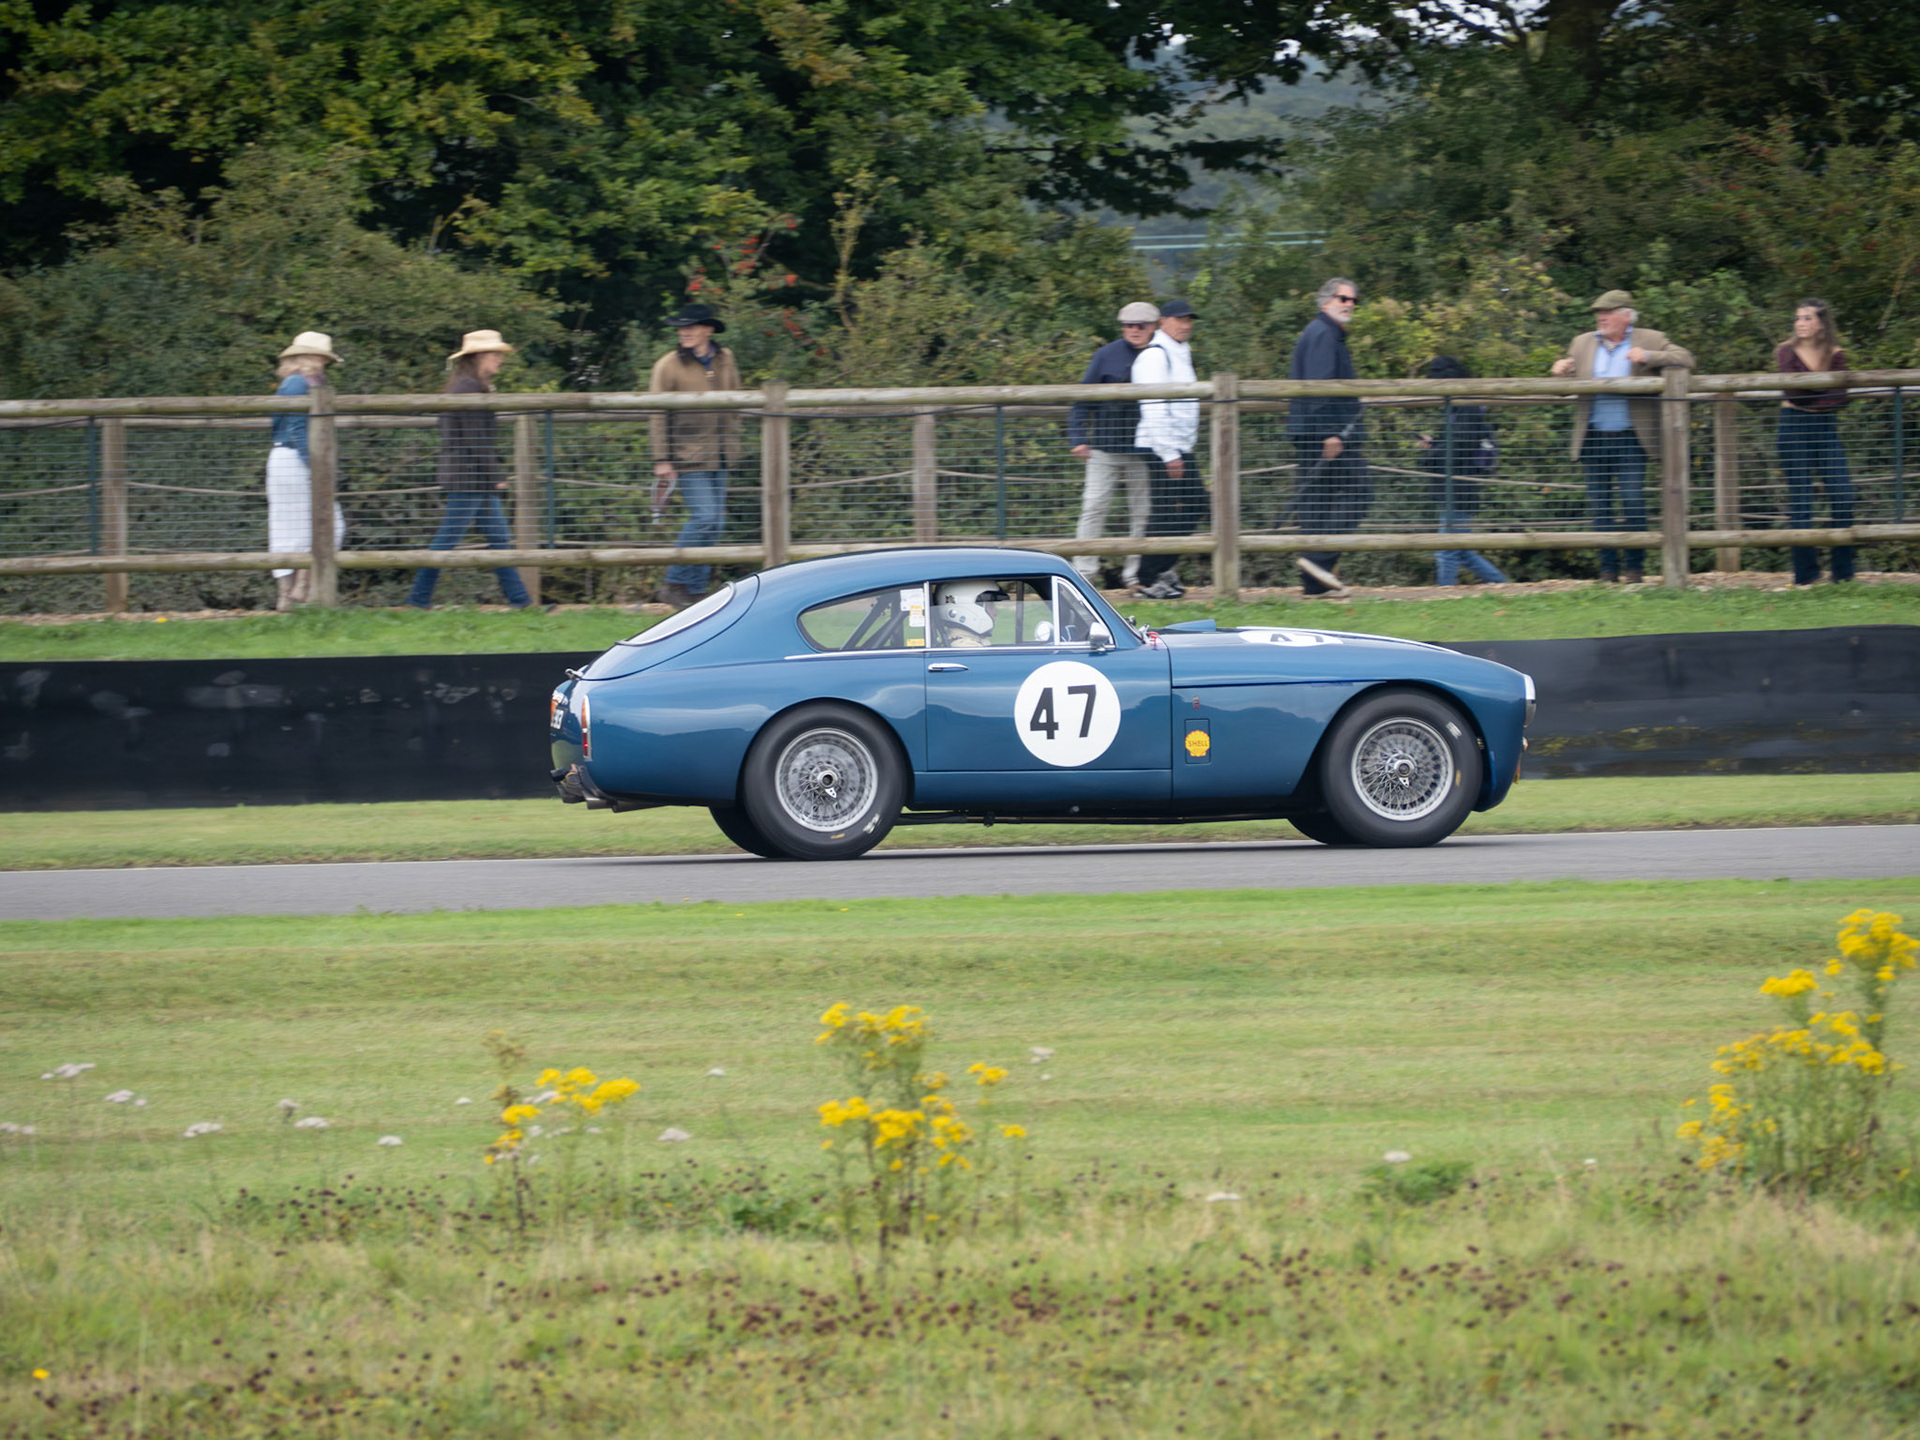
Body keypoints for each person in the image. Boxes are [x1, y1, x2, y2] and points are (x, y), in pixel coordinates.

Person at [1549, 290, 1695, 584]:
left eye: (1608, 312)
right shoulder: (1582, 342)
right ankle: (1607, 572)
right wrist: (1560, 372)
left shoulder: (1650, 338)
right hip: (1593, 437)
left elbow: (1687, 359)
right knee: (1600, 504)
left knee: (1632, 500)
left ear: (1626, 316)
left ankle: (1635, 569)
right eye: (1598, 313)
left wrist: (1650, 356)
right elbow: (1566, 386)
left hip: (1631, 437)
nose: (1601, 318)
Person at [406, 330, 533, 610]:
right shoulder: (468, 388)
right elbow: (476, 439)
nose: (500, 360)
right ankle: (417, 600)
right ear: (478, 356)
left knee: (499, 540)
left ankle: (521, 602)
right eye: (494, 354)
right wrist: (496, 475)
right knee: (447, 541)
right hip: (468, 477)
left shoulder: (470, 386)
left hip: (474, 476)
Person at [649, 303, 743, 609]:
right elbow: (657, 413)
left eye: (690, 327)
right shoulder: (668, 365)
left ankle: (695, 590)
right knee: (704, 517)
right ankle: (674, 583)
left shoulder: (726, 358)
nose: (684, 333)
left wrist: (733, 438)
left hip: (722, 453)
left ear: (708, 329)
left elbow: (737, 399)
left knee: (715, 524)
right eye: (681, 328)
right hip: (687, 455)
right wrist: (662, 459)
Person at [1286, 278, 1372, 596]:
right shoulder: (1323, 334)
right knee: (1360, 491)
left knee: (1316, 503)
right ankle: (1317, 560)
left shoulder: (1324, 333)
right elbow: (1319, 386)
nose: (1349, 304)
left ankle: (1314, 584)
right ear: (1325, 302)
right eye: (1342, 298)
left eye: (1353, 300)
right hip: (1326, 434)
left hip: (1313, 432)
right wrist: (1330, 433)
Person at [1066, 302, 1159, 589]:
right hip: (1104, 448)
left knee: (1142, 512)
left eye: (1141, 325)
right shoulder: (1106, 355)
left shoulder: (1161, 354)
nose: (1135, 330)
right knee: (1094, 506)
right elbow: (1083, 399)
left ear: (1153, 326)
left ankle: (1135, 575)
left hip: (1145, 451)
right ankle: (1084, 574)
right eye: (1129, 325)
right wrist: (1078, 438)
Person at [1774, 298, 1855, 586]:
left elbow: (1840, 398)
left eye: (1807, 318)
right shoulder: (1786, 351)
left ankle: (1843, 574)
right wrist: (1822, 391)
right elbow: (1794, 393)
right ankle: (1806, 576)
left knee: (1843, 495)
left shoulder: (1836, 353)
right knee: (1802, 500)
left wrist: (1813, 394)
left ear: (1822, 322)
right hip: (1793, 427)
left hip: (1825, 428)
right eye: (1798, 318)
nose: (1800, 323)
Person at [265, 331, 346, 612]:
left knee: (290, 527)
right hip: (296, 460)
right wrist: (316, 466)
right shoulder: (300, 383)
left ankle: (291, 594)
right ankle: (298, 590)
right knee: (323, 523)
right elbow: (299, 429)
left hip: (286, 458)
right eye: (322, 358)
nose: (324, 364)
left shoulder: (295, 382)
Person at [1131, 299, 1204, 598]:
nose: (1185, 325)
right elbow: (1153, 406)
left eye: (1189, 320)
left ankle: (1160, 571)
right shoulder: (1155, 356)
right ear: (1163, 322)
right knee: (1167, 510)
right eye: (1179, 319)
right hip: (1161, 446)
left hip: (1178, 446)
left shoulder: (1180, 353)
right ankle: (1147, 579)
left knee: (1192, 505)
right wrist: (1169, 453)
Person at [1416, 356, 1508, 587]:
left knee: (1447, 549)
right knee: (1461, 549)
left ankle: (1444, 595)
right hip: (1457, 486)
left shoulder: (1466, 410)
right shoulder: (1459, 408)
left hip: (1458, 488)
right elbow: (1455, 444)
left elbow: (1456, 447)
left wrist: (1429, 455)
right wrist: (1434, 445)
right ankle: (1503, 585)